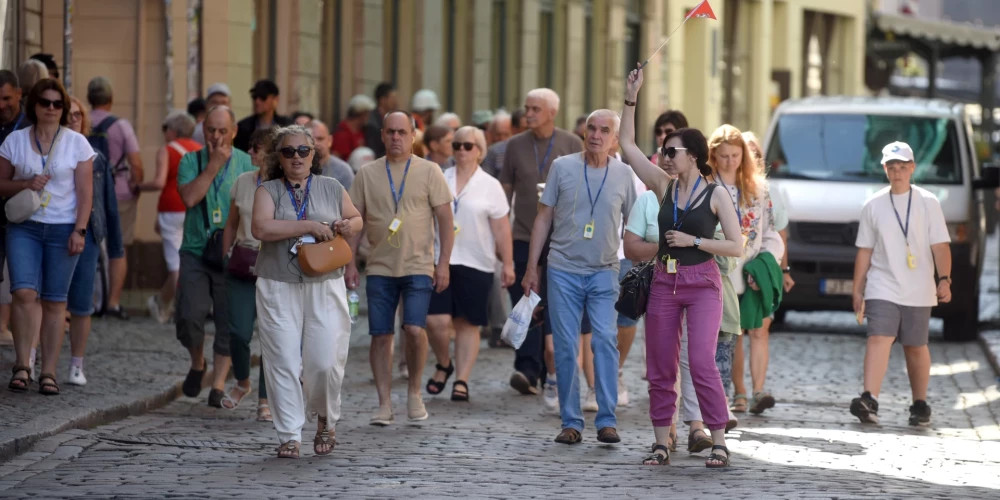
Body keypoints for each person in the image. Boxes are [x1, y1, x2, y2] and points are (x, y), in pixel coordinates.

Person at [621, 66, 742, 467]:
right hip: (663, 282)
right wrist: (631, 96)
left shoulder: (716, 194)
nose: (664, 156)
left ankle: (718, 438)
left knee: (703, 361)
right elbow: (627, 145)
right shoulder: (662, 184)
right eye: (664, 151)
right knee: (659, 362)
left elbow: (736, 246)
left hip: (703, 282)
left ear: (692, 155)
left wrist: (695, 241)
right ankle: (660, 442)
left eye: (671, 151)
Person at [522, 109, 637, 445]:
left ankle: (607, 419)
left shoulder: (624, 174)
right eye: (591, 128)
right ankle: (571, 421)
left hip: (604, 271)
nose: (596, 135)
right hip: (562, 269)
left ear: (615, 139)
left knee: (604, 339)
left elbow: (633, 225)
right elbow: (543, 219)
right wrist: (533, 268)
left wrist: (642, 265)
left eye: (605, 130)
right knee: (566, 346)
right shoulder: (563, 167)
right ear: (584, 131)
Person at [251, 125, 363, 458]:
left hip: (325, 281)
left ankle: (326, 418)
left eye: (303, 151)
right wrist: (310, 225)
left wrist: (346, 226)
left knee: (326, 361)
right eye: (288, 152)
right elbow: (261, 227)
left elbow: (356, 218)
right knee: (282, 358)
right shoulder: (267, 190)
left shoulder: (331, 186)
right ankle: (289, 434)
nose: (296, 157)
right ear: (279, 157)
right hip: (277, 282)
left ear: (313, 155)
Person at [345, 111, 454, 426]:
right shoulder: (366, 173)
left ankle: (415, 391)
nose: (396, 137)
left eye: (402, 132)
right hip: (378, 266)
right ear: (382, 135)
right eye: (390, 132)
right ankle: (383, 403)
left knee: (414, 328)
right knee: (380, 335)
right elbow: (355, 222)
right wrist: (350, 263)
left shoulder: (430, 171)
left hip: (418, 264)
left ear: (413, 135)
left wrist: (443, 262)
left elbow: (446, 221)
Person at [0, 79, 94, 395]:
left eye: (57, 103)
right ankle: (23, 364)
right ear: (34, 106)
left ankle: (49, 372)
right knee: (24, 293)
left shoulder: (77, 143)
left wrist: (80, 230)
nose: (51, 109)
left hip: (62, 228)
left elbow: (85, 193)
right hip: (24, 227)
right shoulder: (14, 141)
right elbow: (1, 184)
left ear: (64, 108)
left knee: (55, 301)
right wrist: (26, 183)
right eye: (45, 103)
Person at [850, 141, 951, 427]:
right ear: (884, 169)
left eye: (902, 167)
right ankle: (869, 397)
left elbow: (941, 246)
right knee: (878, 336)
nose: (897, 172)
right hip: (883, 283)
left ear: (912, 168)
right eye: (891, 167)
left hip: (919, 286)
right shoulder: (874, 204)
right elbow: (865, 250)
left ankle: (920, 403)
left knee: (915, 345)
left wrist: (944, 279)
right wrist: (858, 289)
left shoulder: (928, 202)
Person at [498, 88, 583, 401]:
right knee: (526, 298)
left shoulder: (571, 143)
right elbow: (504, 191)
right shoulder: (515, 145)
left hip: (562, 236)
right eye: (526, 108)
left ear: (551, 113)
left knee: (553, 299)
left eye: (535, 108)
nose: (528, 114)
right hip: (522, 233)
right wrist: (501, 233)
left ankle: (550, 367)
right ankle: (527, 368)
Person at [425, 126, 514, 401]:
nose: (462, 150)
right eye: (457, 145)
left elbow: (501, 229)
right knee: (435, 321)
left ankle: (461, 379)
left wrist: (508, 263)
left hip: (477, 261)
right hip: (441, 258)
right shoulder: (440, 177)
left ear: (479, 150)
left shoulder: (490, 185)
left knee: (467, 324)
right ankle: (444, 363)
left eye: (468, 146)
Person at [175, 106, 256, 407]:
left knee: (228, 319)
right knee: (189, 316)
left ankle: (219, 384)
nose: (217, 136)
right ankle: (198, 363)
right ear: (203, 130)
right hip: (196, 250)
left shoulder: (248, 164)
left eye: (223, 131)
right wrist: (213, 166)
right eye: (211, 130)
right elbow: (190, 198)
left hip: (234, 253)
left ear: (234, 131)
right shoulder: (190, 161)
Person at [704, 124, 784, 416]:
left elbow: (772, 235)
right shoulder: (705, 186)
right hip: (715, 272)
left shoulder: (758, 189)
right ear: (713, 156)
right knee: (725, 335)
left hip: (749, 271)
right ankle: (729, 394)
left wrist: (765, 265)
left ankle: (754, 390)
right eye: (723, 156)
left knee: (755, 330)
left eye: (735, 155)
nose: (729, 162)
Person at [731, 131, 793, 409]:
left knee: (759, 330)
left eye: (756, 152)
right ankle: (740, 392)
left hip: (759, 271)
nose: (751, 157)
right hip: (730, 273)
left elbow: (778, 235)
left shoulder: (769, 192)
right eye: (747, 151)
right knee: (734, 333)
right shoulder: (723, 187)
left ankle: (758, 391)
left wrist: (778, 269)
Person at [64, 95, 123, 386]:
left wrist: (115, 245)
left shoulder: (96, 156)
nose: (73, 119)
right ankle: (32, 359)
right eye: (69, 114)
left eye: (78, 115)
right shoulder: (47, 151)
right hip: (54, 229)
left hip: (87, 233)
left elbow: (108, 204)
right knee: (46, 299)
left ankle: (76, 364)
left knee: (81, 303)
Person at [221, 127, 274, 420]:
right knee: (239, 332)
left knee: (270, 336)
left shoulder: (283, 185)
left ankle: (265, 399)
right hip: (242, 263)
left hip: (273, 267)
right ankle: (242, 381)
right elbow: (231, 222)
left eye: (256, 148)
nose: (251, 152)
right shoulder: (243, 181)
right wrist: (225, 253)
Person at [87, 76, 144, 320]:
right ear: (111, 99)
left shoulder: (82, 120)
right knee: (117, 248)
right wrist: (135, 186)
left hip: (86, 192)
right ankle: (113, 302)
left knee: (89, 247)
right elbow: (136, 163)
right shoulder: (121, 126)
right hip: (118, 192)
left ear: (90, 99)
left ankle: (89, 301)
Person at [138, 111, 202, 324]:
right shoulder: (200, 151)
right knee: (190, 260)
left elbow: (159, 183)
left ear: (173, 131)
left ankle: (168, 305)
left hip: (171, 209)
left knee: (176, 266)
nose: (164, 133)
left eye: (165, 128)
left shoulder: (167, 150)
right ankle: (165, 303)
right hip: (194, 208)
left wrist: (137, 187)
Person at [235, 80, 292, 152]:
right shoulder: (243, 127)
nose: (257, 101)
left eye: (263, 97)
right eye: (254, 97)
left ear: (276, 99)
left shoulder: (286, 126)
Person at [308, 119, 354, 190]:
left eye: (320, 139)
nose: (315, 143)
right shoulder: (296, 169)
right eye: (310, 140)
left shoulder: (343, 171)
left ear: (330, 140)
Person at [332, 94, 375, 160]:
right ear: (362, 113)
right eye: (367, 113)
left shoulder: (363, 130)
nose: (369, 117)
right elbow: (336, 158)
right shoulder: (342, 133)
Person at [363, 82, 398, 158]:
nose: (395, 102)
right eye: (393, 98)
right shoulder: (372, 122)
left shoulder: (391, 117)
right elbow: (373, 149)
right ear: (382, 100)